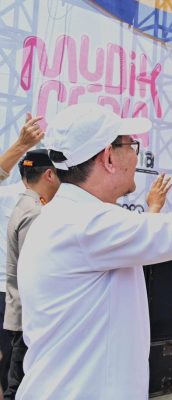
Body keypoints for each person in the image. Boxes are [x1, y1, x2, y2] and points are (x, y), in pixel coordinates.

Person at [16, 83, 172, 399]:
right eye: (132, 145)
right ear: (108, 157)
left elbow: (146, 238)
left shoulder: (72, 218)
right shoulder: (88, 224)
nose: (136, 154)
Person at [2, 150, 59, 399]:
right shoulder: (35, 212)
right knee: (21, 385)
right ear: (49, 174)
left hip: (22, 314)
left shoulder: (24, 204)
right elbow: (35, 270)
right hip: (29, 318)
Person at [0, 114, 43, 393]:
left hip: (25, 294)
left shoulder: (56, 203)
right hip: (9, 292)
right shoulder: (13, 197)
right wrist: (20, 144)